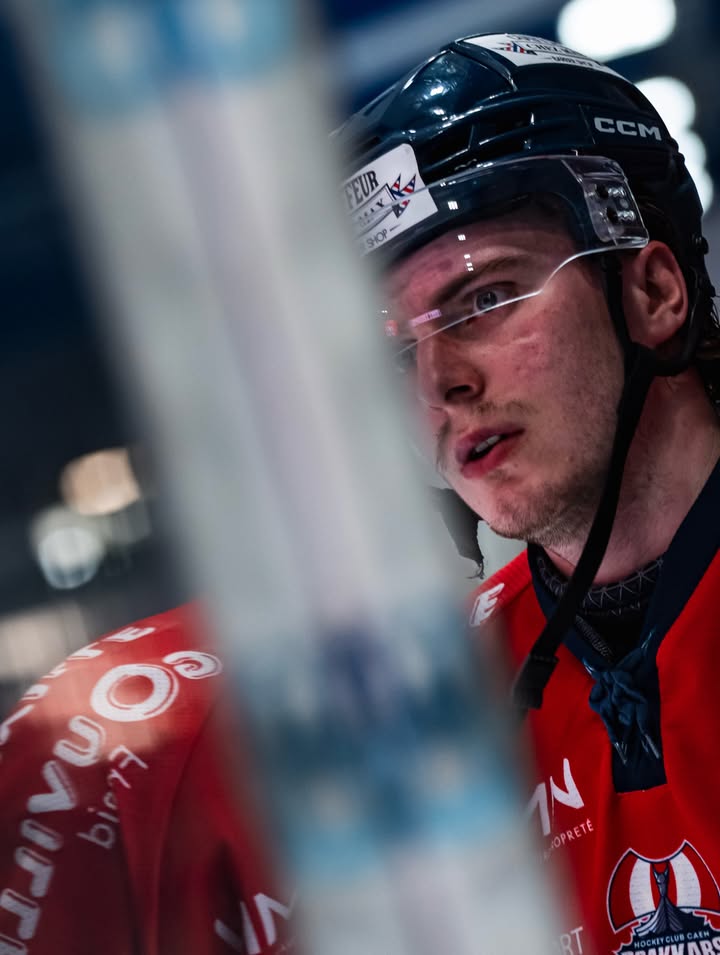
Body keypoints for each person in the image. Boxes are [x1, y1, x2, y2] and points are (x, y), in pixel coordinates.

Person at [336, 30, 720, 955]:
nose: (440, 382)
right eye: (399, 347)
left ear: (653, 291)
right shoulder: (441, 716)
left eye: (484, 298)